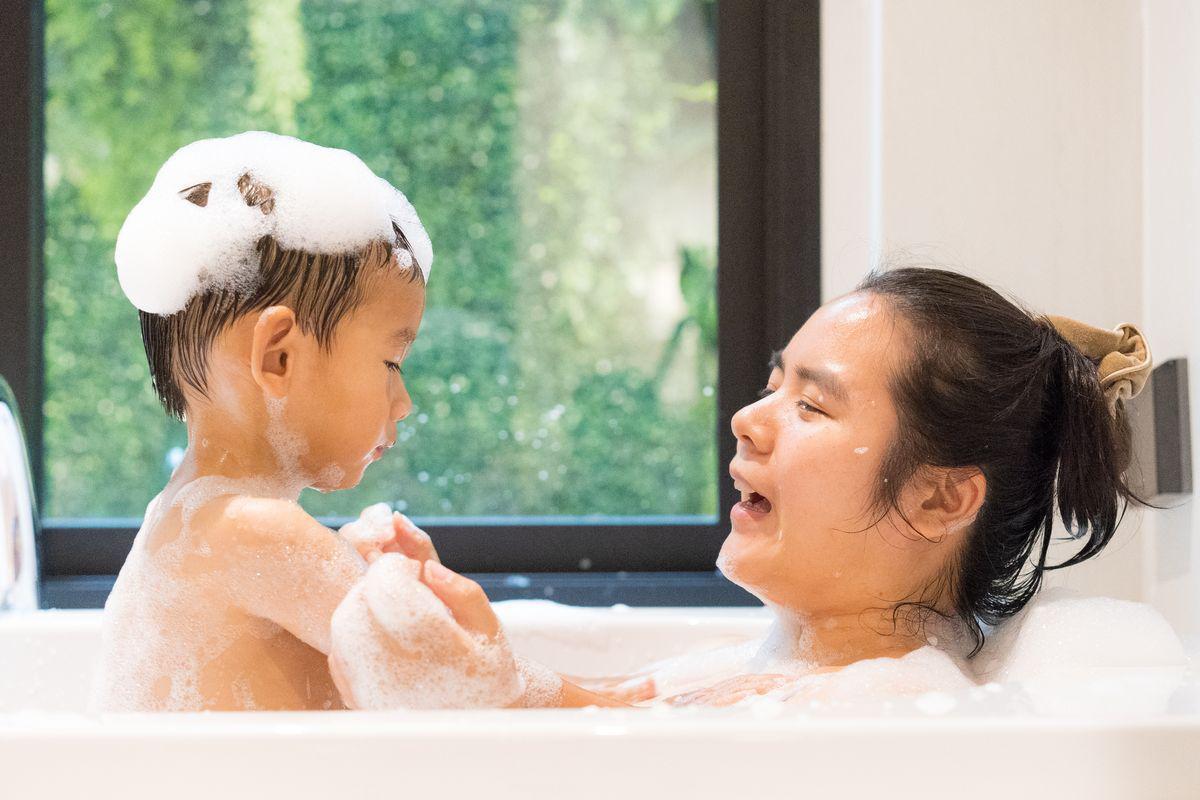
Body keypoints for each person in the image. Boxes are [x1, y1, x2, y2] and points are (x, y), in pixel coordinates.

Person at [333, 267, 1151, 708]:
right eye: (770, 384)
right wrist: (478, 654)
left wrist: (492, 693)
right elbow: (599, 711)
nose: (748, 420)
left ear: (939, 500)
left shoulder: (886, 713)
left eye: (811, 404)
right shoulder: (781, 671)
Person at [92, 131, 520, 711]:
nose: (405, 401)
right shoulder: (254, 530)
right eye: (392, 363)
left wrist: (389, 589)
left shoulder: (186, 518)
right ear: (279, 357)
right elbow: (465, 688)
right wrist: (629, 699)